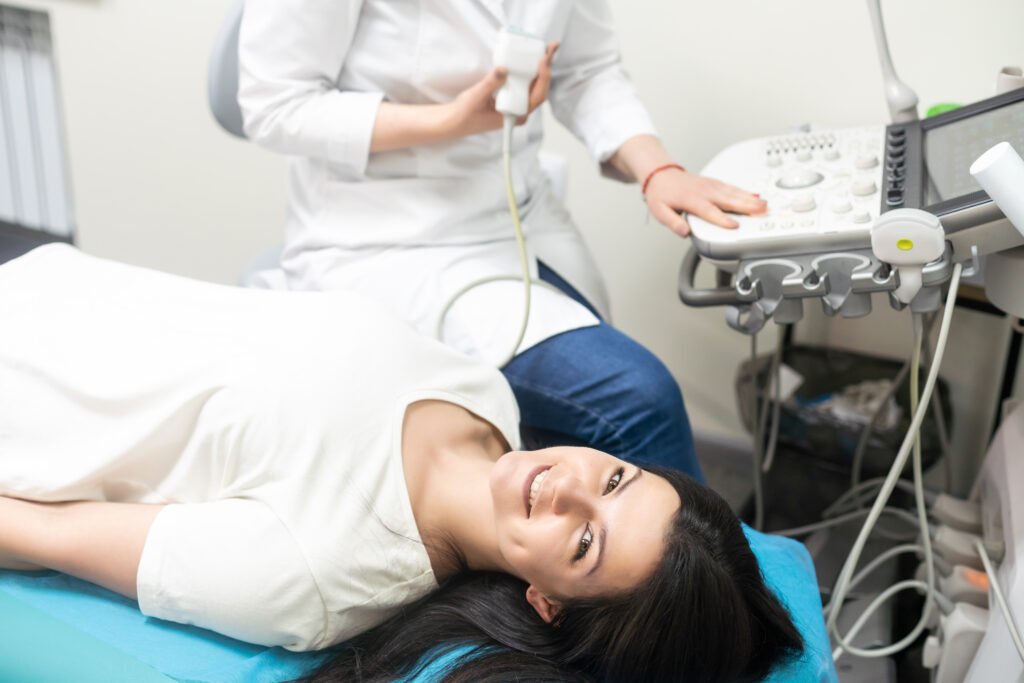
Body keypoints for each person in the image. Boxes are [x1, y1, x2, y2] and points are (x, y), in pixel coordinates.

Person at [0, 243, 800, 682]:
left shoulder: (316, 571)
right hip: (48, 276)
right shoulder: (486, 395)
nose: (567, 487)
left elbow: (39, 533)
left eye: (584, 540)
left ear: (548, 603)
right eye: (616, 478)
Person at [237, 0, 768, 480]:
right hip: (390, 238)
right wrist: (451, 121)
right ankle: (705, 586)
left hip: (518, 211)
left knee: (584, 424)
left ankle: (619, 580)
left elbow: (587, 71)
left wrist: (657, 170)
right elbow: (274, 104)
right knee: (636, 401)